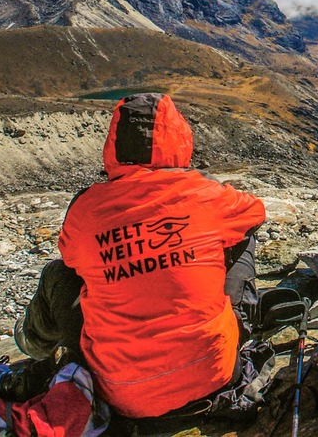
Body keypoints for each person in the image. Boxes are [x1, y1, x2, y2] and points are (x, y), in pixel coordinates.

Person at [15, 92, 266, 420]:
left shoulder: (87, 208)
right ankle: (239, 331)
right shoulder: (205, 194)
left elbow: (72, 259)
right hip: (215, 374)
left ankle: (35, 346)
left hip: (119, 393)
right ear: (179, 140)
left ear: (114, 146)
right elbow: (255, 211)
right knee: (242, 237)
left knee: (58, 274)